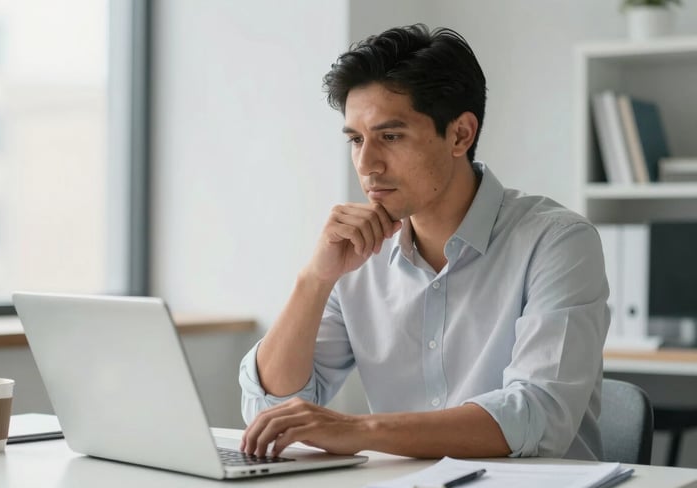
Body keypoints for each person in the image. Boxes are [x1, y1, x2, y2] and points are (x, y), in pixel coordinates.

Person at [238, 24, 609, 461]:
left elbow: (536, 414)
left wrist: (360, 430)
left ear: (460, 135)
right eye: (356, 140)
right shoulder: (355, 257)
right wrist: (315, 279)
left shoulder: (557, 242)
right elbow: (270, 410)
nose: (366, 164)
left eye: (390, 137)